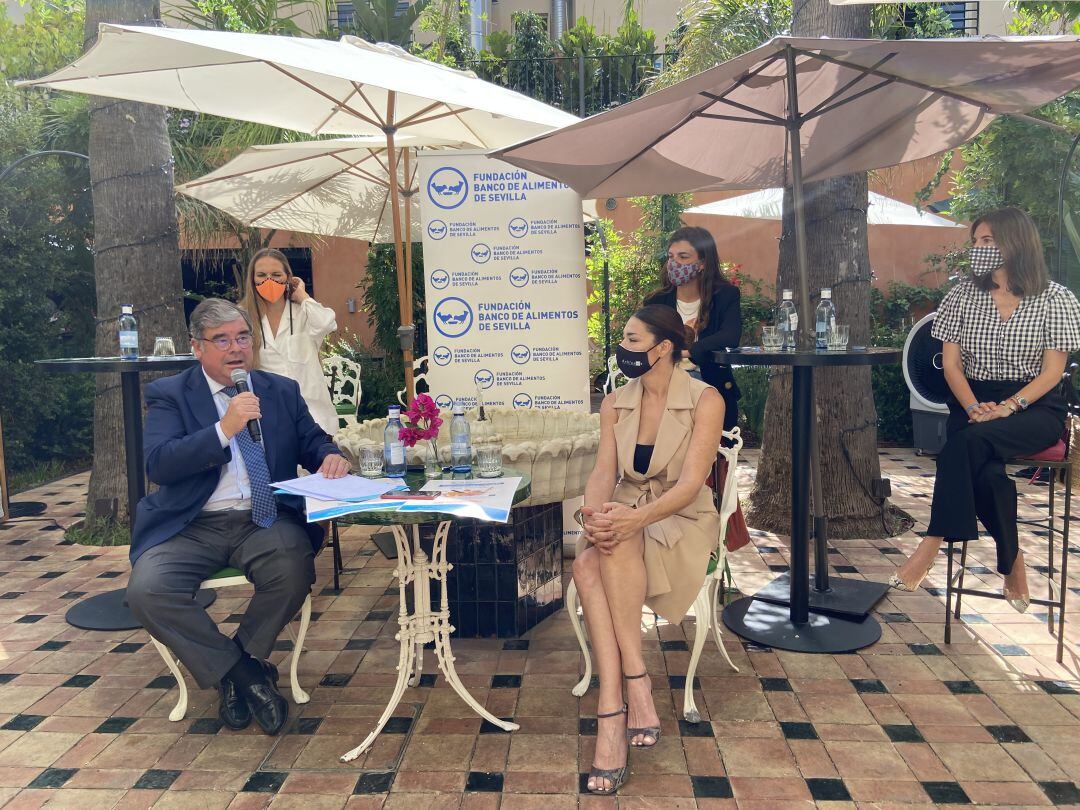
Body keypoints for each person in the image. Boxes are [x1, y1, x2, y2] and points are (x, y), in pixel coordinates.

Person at [127, 298, 351, 736]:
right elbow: (159, 464)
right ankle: (246, 675)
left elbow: (314, 440)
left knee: (293, 568)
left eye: (243, 337)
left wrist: (332, 457)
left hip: (263, 519)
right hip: (191, 525)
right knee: (147, 591)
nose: (236, 348)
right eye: (222, 340)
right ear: (197, 347)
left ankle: (235, 668)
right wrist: (223, 428)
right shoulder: (170, 394)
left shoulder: (278, 389)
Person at [888, 207, 1080, 610]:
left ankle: (931, 544)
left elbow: (1052, 373)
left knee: (963, 448)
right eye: (976, 241)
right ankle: (1012, 563)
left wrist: (1009, 407)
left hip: (1034, 406)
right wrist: (974, 406)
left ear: (1015, 243)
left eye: (988, 241)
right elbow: (951, 364)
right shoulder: (961, 295)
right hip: (971, 401)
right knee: (983, 463)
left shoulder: (1057, 298)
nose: (980, 248)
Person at [572, 305, 726, 794]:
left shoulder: (705, 399)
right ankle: (629, 689)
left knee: (603, 556)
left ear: (663, 348)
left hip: (681, 517)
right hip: (626, 509)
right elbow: (603, 473)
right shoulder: (616, 401)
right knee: (588, 559)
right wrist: (595, 515)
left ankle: (614, 707)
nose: (623, 348)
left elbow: (691, 484)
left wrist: (632, 519)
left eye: (633, 339)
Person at [644, 226, 742, 431]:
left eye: (683, 256)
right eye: (671, 256)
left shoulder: (725, 295)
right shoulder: (656, 300)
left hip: (710, 387)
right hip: (663, 390)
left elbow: (731, 336)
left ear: (703, 263)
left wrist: (688, 351)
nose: (673, 263)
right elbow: (646, 341)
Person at [238, 248, 339, 435]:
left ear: (288, 277)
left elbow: (327, 323)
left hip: (315, 416)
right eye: (261, 275)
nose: (269, 280)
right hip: (269, 420)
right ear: (252, 280)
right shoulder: (243, 317)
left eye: (276, 274)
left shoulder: (304, 313)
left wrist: (302, 296)